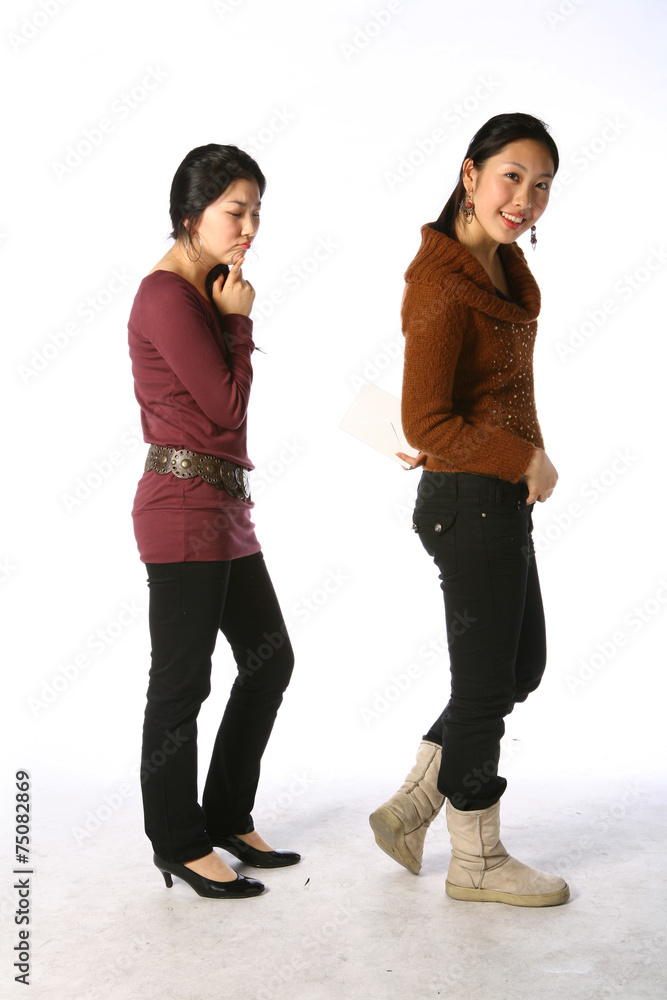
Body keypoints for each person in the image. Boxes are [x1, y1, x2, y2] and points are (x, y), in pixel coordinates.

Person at [369, 113, 570, 907]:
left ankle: (413, 803)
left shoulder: (497, 265)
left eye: (542, 185)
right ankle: (475, 859)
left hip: (492, 501)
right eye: (511, 176)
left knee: (517, 669)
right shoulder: (440, 283)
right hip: (467, 502)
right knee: (486, 686)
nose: (525, 198)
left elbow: (486, 394)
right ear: (469, 174)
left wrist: (519, 459)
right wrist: (522, 458)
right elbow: (425, 422)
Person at [128, 144, 299, 899]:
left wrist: (228, 314)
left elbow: (221, 420)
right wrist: (238, 323)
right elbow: (226, 409)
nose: (250, 227)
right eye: (236, 211)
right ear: (191, 214)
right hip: (181, 509)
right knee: (181, 683)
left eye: (257, 211)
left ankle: (226, 814)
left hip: (224, 506)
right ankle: (176, 842)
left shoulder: (205, 292)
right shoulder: (166, 296)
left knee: (269, 660)